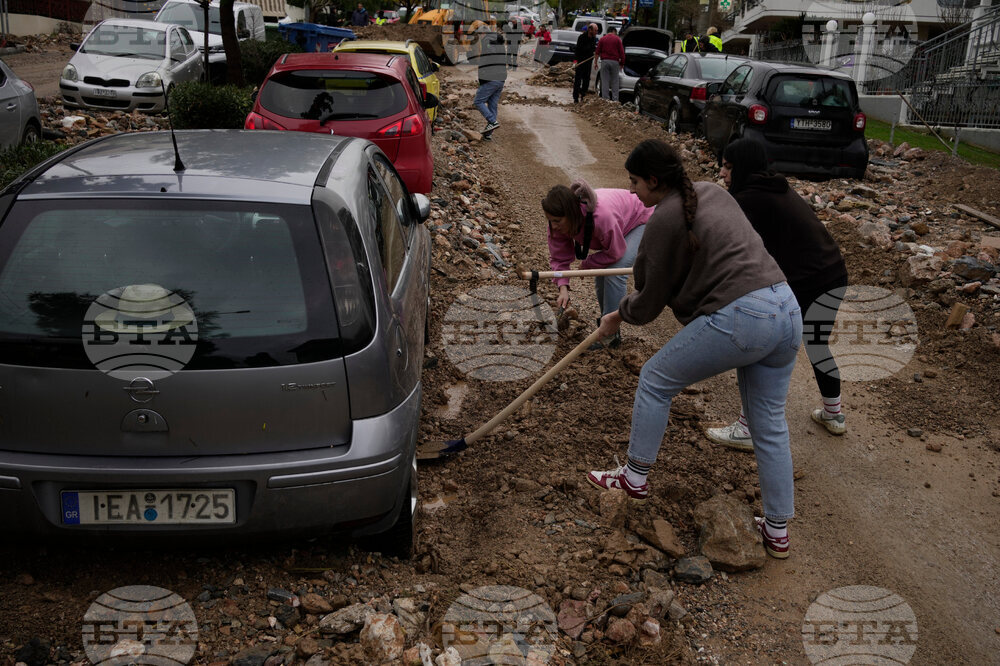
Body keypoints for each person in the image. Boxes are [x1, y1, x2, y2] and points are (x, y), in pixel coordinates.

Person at [586, 139, 801, 559]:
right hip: (785, 308)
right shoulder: (712, 190)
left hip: (744, 317)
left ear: (653, 179)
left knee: (654, 379)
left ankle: (635, 476)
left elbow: (647, 303)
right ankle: (777, 531)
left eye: (634, 183)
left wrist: (616, 315)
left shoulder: (663, 219)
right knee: (769, 424)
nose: (631, 192)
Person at [705, 139, 849, 450]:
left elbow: (731, 247)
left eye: (729, 166)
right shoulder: (773, 187)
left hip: (807, 279)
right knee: (816, 342)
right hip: (833, 273)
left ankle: (746, 428)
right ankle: (834, 414)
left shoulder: (749, 199)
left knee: (761, 344)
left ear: (742, 168)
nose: (722, 171)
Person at [542, 180, 652, 349]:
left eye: (557, 221)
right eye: (551, 221)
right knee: (602, 272)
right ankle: (606, 328)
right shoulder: (557, 225)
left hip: (641, 218)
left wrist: (588, 264)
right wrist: (563, 289)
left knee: (614, 271)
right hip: (620, 221)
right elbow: (559, 258)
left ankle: (609, 335)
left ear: (572, 214)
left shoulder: (601, 216)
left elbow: (615, 252)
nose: (554, 226)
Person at [471, 26, 507, 140]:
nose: (479, 37)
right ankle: (488, 134)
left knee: (478, 101)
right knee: (492, 105)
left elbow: (490, 55)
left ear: (483, 33)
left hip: (491, 78)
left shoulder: (487, 40)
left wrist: (483, 75)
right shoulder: (498, 41)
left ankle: (492, 121)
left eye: (479, 34)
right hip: (500, 78)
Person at [595, 26, 625, 102]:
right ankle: (615, 100)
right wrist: (622, 63)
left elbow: (597, 52)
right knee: (615, 81)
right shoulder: (617, 39)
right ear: (613, 31)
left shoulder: (602, 39)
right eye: (616, 32)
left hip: (605, 61)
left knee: (605, 81)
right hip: (615, 62)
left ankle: (605, 100)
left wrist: (595, 62)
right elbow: (622, 53)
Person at [573, 23, 598, 103]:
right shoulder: (581, 37)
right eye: (595, 30)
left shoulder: (594, 39)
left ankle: (583, 95)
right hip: (580, 62)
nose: (596, 32)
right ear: (590, 30)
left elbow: (593, 48)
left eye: (597, 31)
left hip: (588, 62)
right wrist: (575, 61)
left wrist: (594, 52)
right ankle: (575, 97)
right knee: (578, 80)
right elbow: (577, 50)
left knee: (586, 80)